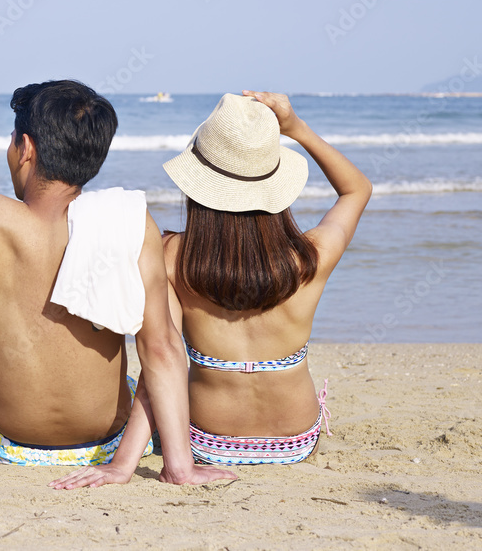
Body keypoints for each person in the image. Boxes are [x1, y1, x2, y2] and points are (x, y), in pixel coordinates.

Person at [0, 80, 235, 484]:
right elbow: (162, 349)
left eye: (12, 141)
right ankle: (178, 465)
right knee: (159, 331)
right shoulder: (128, 222)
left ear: (26, 148)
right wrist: (180, 467)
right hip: (106, 443)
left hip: (8, 442)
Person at [50, 90, 371, 487]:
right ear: (276, 186)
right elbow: (357, 189)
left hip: (205, 443)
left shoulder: (171, 257)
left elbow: (161, 360)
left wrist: (123, 466)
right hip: (296, 442)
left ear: (198, 186)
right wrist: (296, 128)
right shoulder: (311, 257)